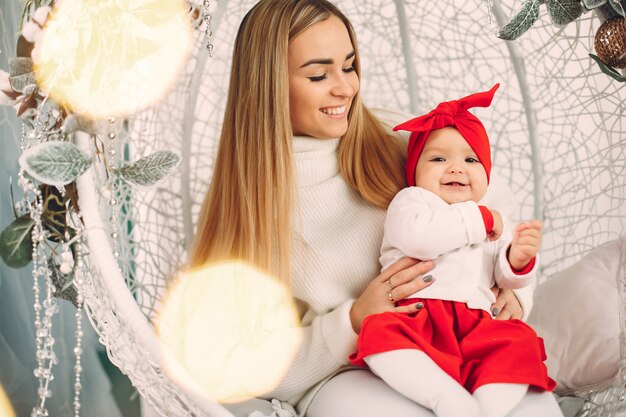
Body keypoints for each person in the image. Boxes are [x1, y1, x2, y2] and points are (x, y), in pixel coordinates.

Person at [189, 0, 563, 416]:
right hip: (352, 370)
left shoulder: (398, 137)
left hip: (464, 337)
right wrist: (351, 320)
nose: (346, 88)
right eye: (318, 74)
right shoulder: (251, 210)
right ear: (268, 84)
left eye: (349, 66)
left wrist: (514, 294)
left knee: (533, 408)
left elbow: (496, 214)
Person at [349, 84, 556, 417]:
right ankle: (445, 397)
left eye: (470, 159)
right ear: (415, 172)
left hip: (477, 324)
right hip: (419, 318)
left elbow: (503, 279)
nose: (456, 167)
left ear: (486, 174)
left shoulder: (491, 215)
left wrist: (516, 262)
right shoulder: (413, 202)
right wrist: (481, 219)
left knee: (520, 342)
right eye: (438, 158)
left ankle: (488, 407)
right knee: (379, 333)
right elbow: (419, 239)